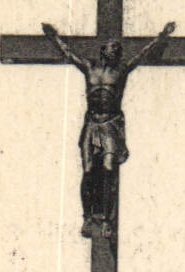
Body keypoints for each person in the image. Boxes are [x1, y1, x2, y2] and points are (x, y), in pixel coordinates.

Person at [41, 21, 176, 238]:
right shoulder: (89, 68)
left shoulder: (121, 71)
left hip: (110, 125)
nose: (116, 51)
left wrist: (162, 37)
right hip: (92, 124)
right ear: (103, 51)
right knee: (87, 171)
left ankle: (105, 220)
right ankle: (88, 218)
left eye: (118, 50)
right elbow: (68, 52)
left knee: (108, 170)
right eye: (112, 48)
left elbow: (142, 55)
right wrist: (53, 37)